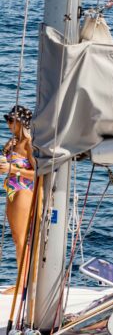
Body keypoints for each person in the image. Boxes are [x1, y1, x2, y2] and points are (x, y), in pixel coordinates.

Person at [0, 105, 36, 290]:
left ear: (21, 122)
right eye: (7, 120)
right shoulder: (12, 142)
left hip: (23, 190)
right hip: (11, 190)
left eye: (11, 120)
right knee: (16, 237)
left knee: (22, 238)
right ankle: (21, 281)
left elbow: (38, 173)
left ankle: (23, 284)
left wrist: (12, 169)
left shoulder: (28, 144)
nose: (8, 124)